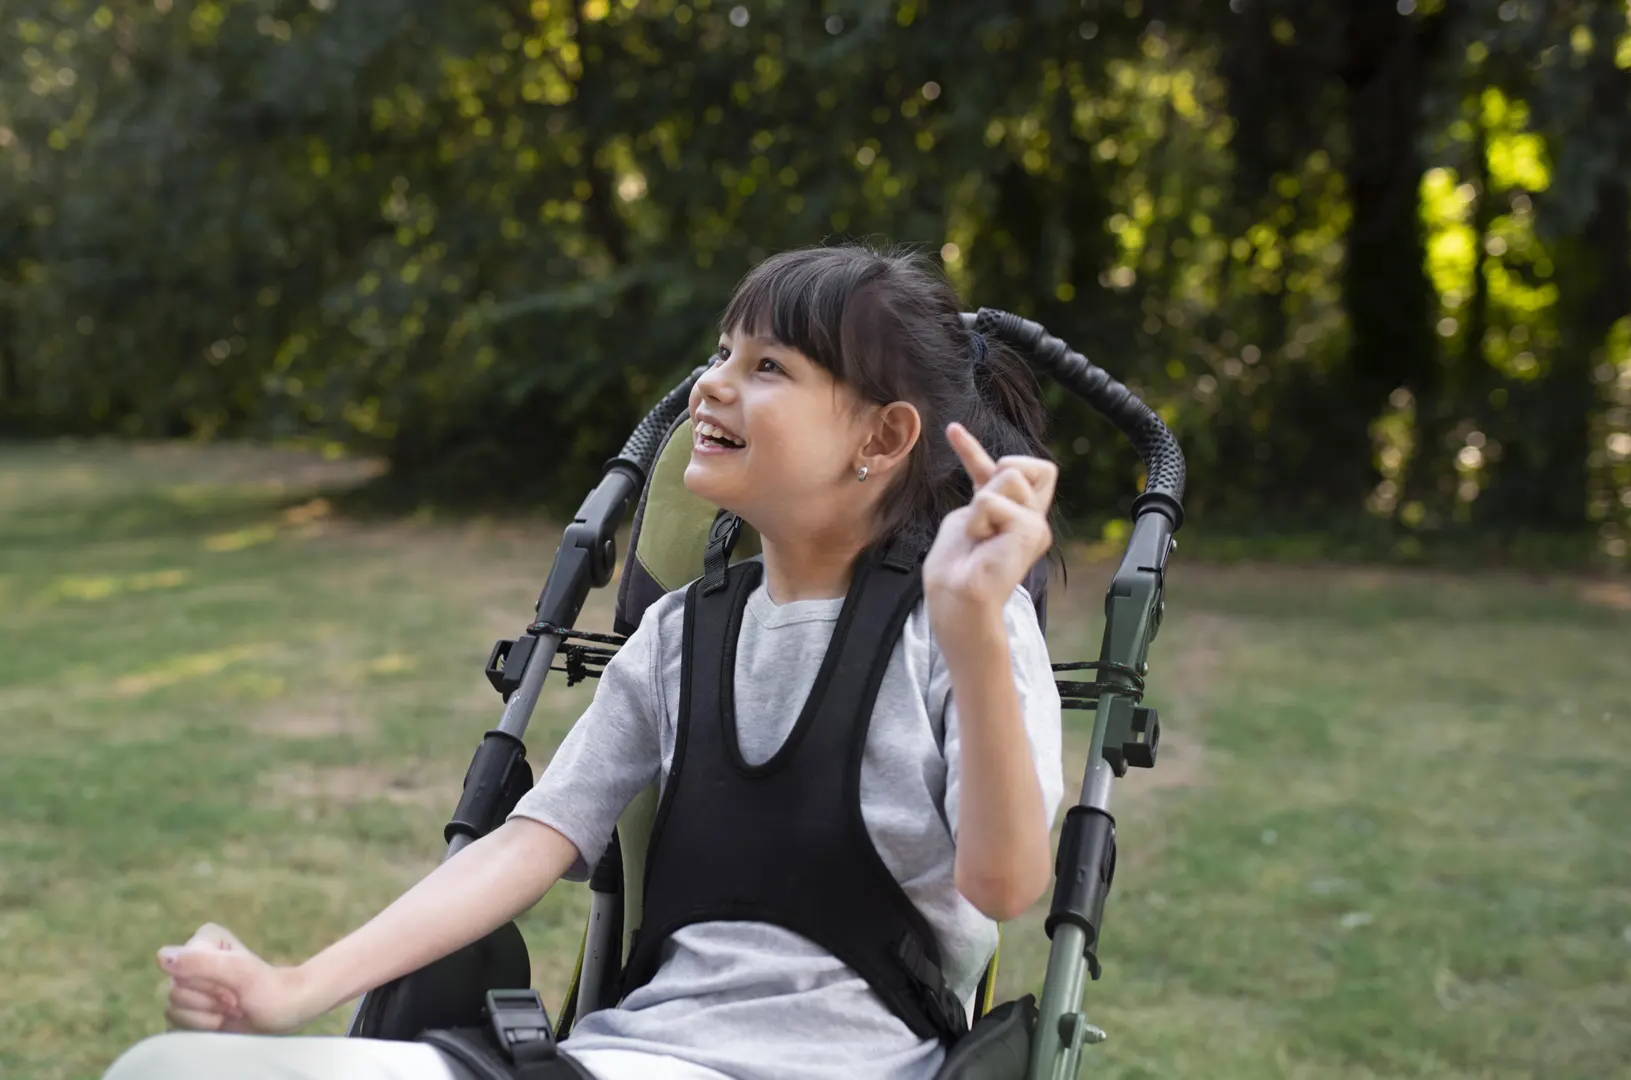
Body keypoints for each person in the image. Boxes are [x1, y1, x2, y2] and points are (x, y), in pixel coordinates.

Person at [101, 244, 1066, 1080]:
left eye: (767, 365)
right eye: (722, 352)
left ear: (883, 436)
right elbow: (529, 843)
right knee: (169, 1065)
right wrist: (293, 987)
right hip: (626, 1054)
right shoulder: (680, 636)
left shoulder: (965, 629)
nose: (713, 384)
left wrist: (975, 625)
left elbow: (1006, 887)